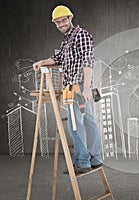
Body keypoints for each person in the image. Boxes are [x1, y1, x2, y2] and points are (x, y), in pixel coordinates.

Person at [32, 5, 103, 174]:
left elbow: (88, 61)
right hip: (74, 89)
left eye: (63, 20)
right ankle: (95, 159)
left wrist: (86, 89)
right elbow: (57, 58)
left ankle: (83, 162)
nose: (61, 24)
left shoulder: (81, 35)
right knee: (87, 123)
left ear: (70, 18)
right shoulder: (67, 40)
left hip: (77, 89)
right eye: (57, 22)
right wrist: (42, 62)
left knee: (77, 126)